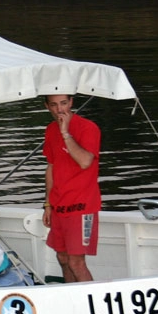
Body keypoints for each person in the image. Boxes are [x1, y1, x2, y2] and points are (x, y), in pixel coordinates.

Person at [41, 94, 101, 283]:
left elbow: (85, 161)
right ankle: (71, 302)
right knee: (63, 258)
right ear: (47, 106)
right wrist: (48, 204)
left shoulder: (87, 128)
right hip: (59, 204)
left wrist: (66, 132)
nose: (60, 110)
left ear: (71, 102)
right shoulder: (50, 130)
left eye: (64, 103)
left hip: (82, 206)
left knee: (76, 262)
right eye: (54, 105)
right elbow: (51, 167)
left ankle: (92, 306)